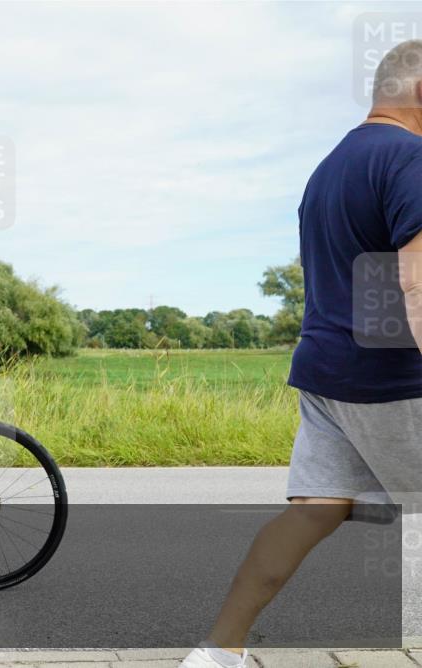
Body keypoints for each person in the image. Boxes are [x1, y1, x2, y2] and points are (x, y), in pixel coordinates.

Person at [180, 40, 422, 667]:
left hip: (325, 374)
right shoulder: (411, 158)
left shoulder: (330, 166)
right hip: (393, 378)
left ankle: (217, 653)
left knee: (311, 512)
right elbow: (416, 280)